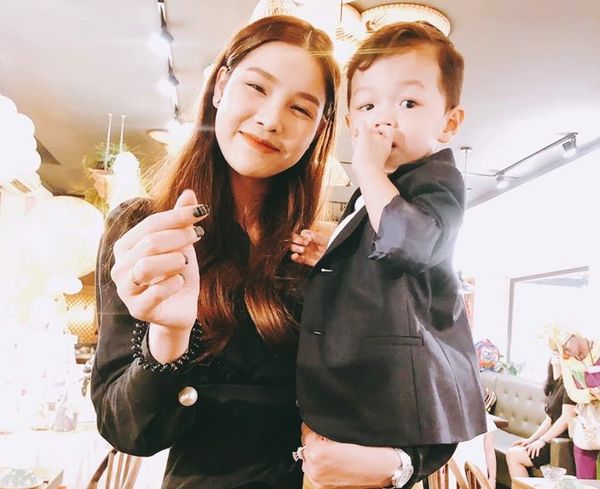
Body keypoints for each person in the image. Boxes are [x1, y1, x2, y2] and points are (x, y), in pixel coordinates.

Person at [91, 15, 349, 489]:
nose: (271, 119)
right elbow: (127, 430)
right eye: (257, 87)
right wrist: (168, 336)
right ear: (221, 85)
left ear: (319, 129)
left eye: (300, 108)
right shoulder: (147, 230)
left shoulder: (318, 250)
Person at [290, 21, 487, 488]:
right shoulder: (374, 192)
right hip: (358, 391)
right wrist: (334, 249)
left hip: (399, 391)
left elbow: (409, 244)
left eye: (408, 103)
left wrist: (368, 169)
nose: (384, 120)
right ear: (351, 123)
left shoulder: (437, 179)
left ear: (449, 123)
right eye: (368, 105)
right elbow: (378, 260)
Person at [505, 357, 576, 477]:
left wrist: (542, 440)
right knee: (513, 450)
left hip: (560, 442)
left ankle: (521, 485)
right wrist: (530, 439)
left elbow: (566, 418)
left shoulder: (569, 385)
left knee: (513, 455)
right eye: (554, 351)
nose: (556, 354)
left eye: (559, 352)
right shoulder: (555, 384)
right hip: (550, 438)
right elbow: (549, 419)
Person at [558, 330, 600, 479]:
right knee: (584, 479)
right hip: (587, 423)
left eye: (565, 347)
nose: (564, 353)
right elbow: (571, 392)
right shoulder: (567, 360)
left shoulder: (597, 347)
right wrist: (590, 394)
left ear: (573, 335)